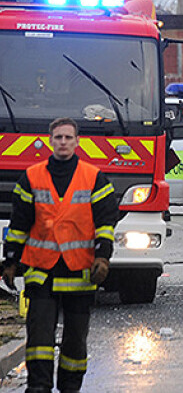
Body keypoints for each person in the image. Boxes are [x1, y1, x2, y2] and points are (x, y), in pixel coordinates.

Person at [1, 117, 118, 393]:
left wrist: (103, 257)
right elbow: (18, 223)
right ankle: (38, 387)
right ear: (49, 141)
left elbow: (105, 222)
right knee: (39, 340)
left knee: (75, 342)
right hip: (41, 272)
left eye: (68, 137)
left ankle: (70, 388)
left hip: (80, 272)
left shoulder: (93, 177)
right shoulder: (31, 177)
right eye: (58, 138)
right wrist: (9, 261)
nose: (63, 142)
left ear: (77, 142)